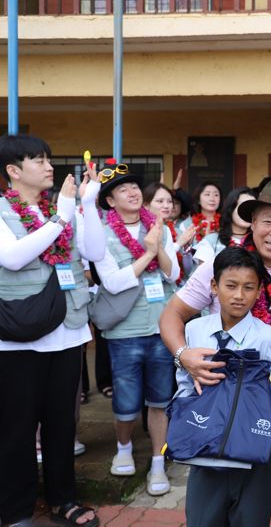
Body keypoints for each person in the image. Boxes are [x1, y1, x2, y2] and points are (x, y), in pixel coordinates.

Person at [159, 178, 271, 527]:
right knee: (225, 485)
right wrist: (184, 357)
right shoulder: (223, 267)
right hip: (235, 397)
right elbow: (171, 316)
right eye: (267, 221)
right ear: (251, 223)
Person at [0, 134, 105, 527]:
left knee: (62, 424)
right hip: (18, 337)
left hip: (68, 330)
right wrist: (61, 217)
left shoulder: (59, 208)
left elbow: (94, 252)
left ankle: (64, 499)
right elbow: (11, 257)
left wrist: (89, 204)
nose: (49, 166)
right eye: (39, 160)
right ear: (13, 171)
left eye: (49, 159)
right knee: (16, 428)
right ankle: (15, 509)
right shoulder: (2, 211)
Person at [181, 247, 271, 527]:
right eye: (231, 286)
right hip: (204, 453)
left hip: (251, 457)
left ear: (259, 290)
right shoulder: (195, 330)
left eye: (248, 287)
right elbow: (182, 382)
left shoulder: (267, 338)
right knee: (202, 520)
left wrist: (257, 427)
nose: (239, 295)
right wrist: (191, 418)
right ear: (214, 286)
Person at [94, 165, 179, 496]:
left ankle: (158, 465)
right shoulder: (100, 233)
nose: (131, 192)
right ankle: (124, 448)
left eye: (133, 186)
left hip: (161, 327)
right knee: (127, 401)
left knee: (160, 399)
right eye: (122, 189)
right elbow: (113, 282)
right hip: (124, 331)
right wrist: (148, 251)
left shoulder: (159, 227)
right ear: (110, 201)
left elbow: (172, 276)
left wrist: (157, 245)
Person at [143, 182, 195, 281]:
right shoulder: (141, 228)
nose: (166, 206)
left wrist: (186, 249)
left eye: (169, 201)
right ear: (146, 205)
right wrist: (178, 244)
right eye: (160, 201)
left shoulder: (165, 229)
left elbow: (174, 274)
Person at [193, 187, 256, 265]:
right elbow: (203, 275)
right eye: (242, 207)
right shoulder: (212, 240)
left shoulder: (259, 242)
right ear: (230, 209)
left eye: (251, 208)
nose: (246, 212)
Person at [178, 181, 221, 248]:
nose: (212, 199)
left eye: (216, 195)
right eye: (207, 194)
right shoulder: (187, 225)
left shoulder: (226, 222)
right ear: (198, 200)